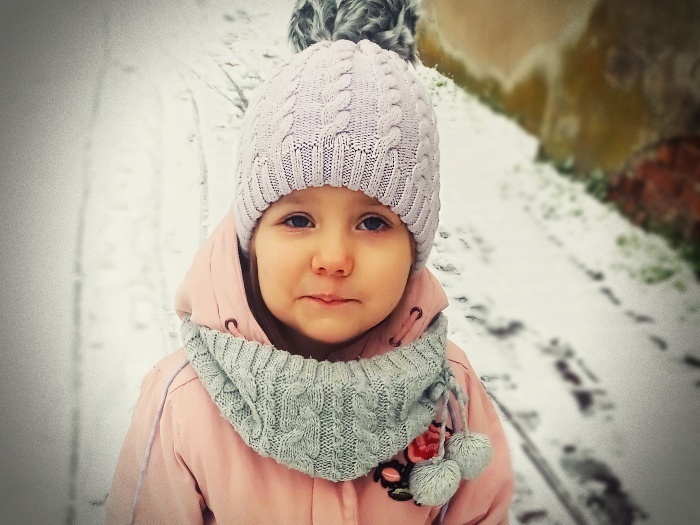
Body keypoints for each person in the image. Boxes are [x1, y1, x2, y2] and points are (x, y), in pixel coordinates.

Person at [105, 0, 514, 523]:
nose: (334, 259)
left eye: (373, 223)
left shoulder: (448, 391)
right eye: (298, 220)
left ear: (415, 248)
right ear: (252, 238)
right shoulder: (185, 402)